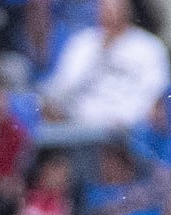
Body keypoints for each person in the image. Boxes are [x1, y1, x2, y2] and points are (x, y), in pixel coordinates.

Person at [43, 0, 170, 134]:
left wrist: (127, 119)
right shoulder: (82, 43)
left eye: (114, 7)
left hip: (128, 130)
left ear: (127, 9)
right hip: (80, 127)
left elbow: (154, 95)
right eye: (104, 7)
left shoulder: (149, 47)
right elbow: (63, 86)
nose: (108, 12)